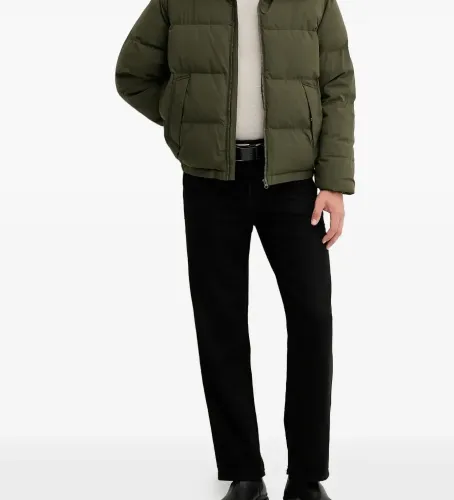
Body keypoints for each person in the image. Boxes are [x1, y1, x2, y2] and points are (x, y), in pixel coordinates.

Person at [115, 0, 355, 497]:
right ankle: (244, 474)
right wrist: (188, 120)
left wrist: (333, 181)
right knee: (220, 323)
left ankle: (307, 476)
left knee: (312, 318)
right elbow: (132, 74)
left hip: (293, 182)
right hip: (210, 182)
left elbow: (338, 85)